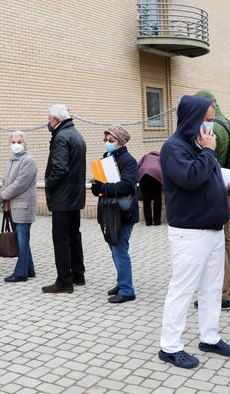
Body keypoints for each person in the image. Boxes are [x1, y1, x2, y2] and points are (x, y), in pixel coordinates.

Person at [158, 95, 230, 370]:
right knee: (182, 289)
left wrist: (225, 181)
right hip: (190, 233)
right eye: (207, 119)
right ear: (192, 119)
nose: (211, 125)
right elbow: (191, 179)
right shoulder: (174, 148)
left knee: (212, 288)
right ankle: (170, 346)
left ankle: (209, 337)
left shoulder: (201, 145)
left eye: (213, 118)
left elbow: (208, 176)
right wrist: (208, 152)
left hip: (213, 230)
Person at [195, 89, 230, 306]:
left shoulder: (212, 130)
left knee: (218, 241)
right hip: (229, 186)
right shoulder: (227, 124)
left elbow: (210, 162)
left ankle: (222, 293)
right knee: (226, 238)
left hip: (217, 189)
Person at [41, 104, 87, 294]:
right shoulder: (76, 134)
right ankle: (78, 275)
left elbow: (59, 169)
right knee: (74, 235)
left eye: (49, 119)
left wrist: (49, 184)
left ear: (56, 120)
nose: (48, 123)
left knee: (61, 239)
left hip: (63, 197)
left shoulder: (61, 137)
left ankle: (64, 281)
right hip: (75, 195)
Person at [91, 125, 139, 304]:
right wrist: (97, 187)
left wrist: (103, 188)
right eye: (105, 140)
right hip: (109, 209)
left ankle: (127, 290)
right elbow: (103, 182)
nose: (107, 143)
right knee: (114, 248)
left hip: (123, 212)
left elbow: (127, 185)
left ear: (121, 142)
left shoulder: (128, 160)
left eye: (111, 141)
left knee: (120, 250)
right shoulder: (107, 158)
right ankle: (121, 282)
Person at [0, 131, 38, 282]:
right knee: (22, 239)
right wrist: (5, 195)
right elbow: (6, 181)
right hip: (13, 205)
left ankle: (21, 273)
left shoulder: (28, 160)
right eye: (13, 142)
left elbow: (20, 184)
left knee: (22, 239)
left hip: (23, 206)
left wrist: (4, 195)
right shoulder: (11, 160)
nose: (16, 145)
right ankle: (29, 269)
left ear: (25, 143)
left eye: (19, 142)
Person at [137, 151, 163, 226]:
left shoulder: (145, 156)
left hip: (143, 174)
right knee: (157, 198)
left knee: (146, 199)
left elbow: (138, 165)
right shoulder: (160, 157)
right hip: (157, 174)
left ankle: (148, 222)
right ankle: (157, 221)